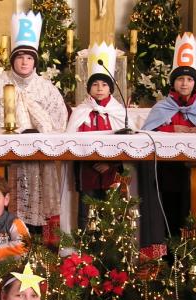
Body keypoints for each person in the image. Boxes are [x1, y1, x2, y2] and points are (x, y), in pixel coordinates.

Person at [140, 33, 196, 246]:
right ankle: (170, 253)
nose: (184, 83)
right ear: (173, 82)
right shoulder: (162, 107)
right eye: (180, 79)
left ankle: (192, 252)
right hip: (168, 170)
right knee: (170, 212)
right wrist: (175, 128)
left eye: (189, 79)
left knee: (194, 210)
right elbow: (149, 131)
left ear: (194, 83)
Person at [0, 11, 68, 232]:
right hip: (9, 155)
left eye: (29, 58)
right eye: (20, 57)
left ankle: (37, 243)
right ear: (13, 59)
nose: (24, 62)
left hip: (40, 157)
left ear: (35, 62)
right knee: (8, 203)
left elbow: (59, 120)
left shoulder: (46, 87)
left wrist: (39, 126)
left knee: (37, 209)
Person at [66, 42, 126, 229]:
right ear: (89, 88)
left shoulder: (118, 111)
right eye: (95, 84)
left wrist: (110, 163)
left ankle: (112, 246)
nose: (99, 88)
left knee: (111, 213)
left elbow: (126, 142)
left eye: (104, 84)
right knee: (87, 215)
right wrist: (91, 159)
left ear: (110, 89)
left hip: (112, 170)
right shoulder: (81, 111)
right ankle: (86, 245)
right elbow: (71, 140)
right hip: (87, 170)